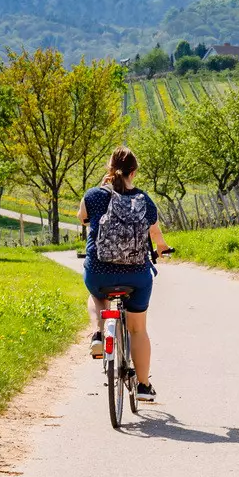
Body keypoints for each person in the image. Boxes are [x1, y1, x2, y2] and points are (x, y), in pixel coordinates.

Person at [78, 146, 171, 401]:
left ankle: (98, 333)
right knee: (138, 329)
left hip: (99, 272)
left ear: (109, 169)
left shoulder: (94, 195)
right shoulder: (144, 201)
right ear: (135, 172)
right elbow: (157, 238)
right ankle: (142, 386)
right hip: (136, 276)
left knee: (96, 296)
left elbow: (82, 218)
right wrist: (162, 250)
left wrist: (99, 188)